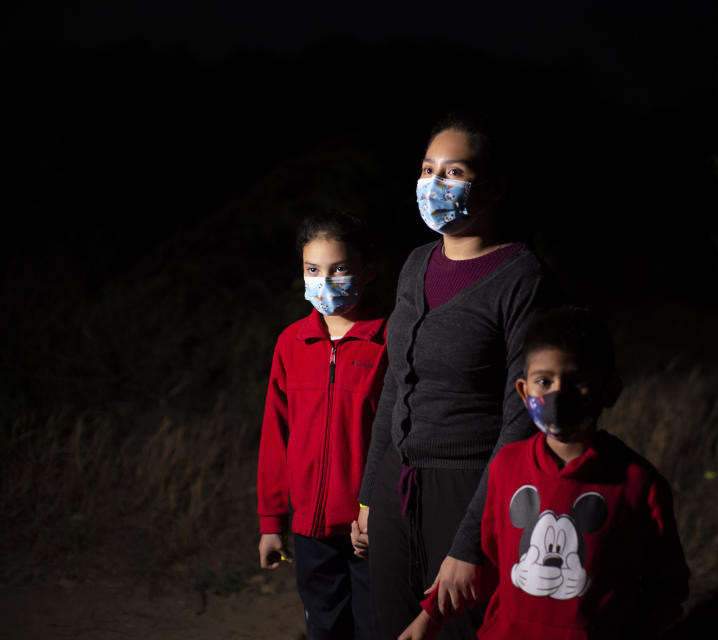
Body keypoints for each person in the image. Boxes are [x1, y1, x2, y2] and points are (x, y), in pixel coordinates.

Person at [350, 115, 555, 639]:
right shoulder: (417, 264)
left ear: (495, 187)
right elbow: (395, 384)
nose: (434, 185)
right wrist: (371, 495)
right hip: (397, 486)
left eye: (453, 171)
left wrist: (471, 542)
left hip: (467, 489)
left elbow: (521, 421)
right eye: (426, 170)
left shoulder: (521, 278)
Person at [400, 307, 691, 639]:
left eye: (577, 381)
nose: (557, 395)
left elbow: (667, 587)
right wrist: (430, 618)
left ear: (609, 389)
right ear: (524, 392)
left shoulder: (638, 483)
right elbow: (489, 563)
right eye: (544, 381)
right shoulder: (507, 466)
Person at [257, 212, 387, 640]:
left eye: (340, 269)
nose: (325, 280)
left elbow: (397, 437)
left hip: (370, 528)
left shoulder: (388, 339)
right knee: (325, 629)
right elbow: (276, 437)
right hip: (310, 527)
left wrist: (379, 510)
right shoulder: (291, 342)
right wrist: (272, 522)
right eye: (313, 270)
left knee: (375, 628)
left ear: (366, 272)